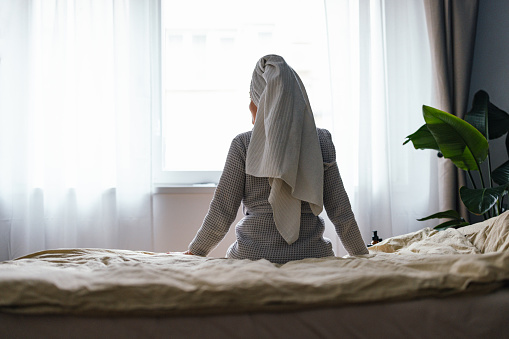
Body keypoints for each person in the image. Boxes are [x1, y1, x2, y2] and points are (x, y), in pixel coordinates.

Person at [183, 55, 368, 264]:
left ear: (261, 101)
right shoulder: (321, 141)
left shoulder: (243, 145)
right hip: (314, 255)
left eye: (251, 97)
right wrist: (362, 256)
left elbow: (222, 210)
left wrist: (196, 252)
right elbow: (340, 211)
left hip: (250, 256)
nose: (249, 105)